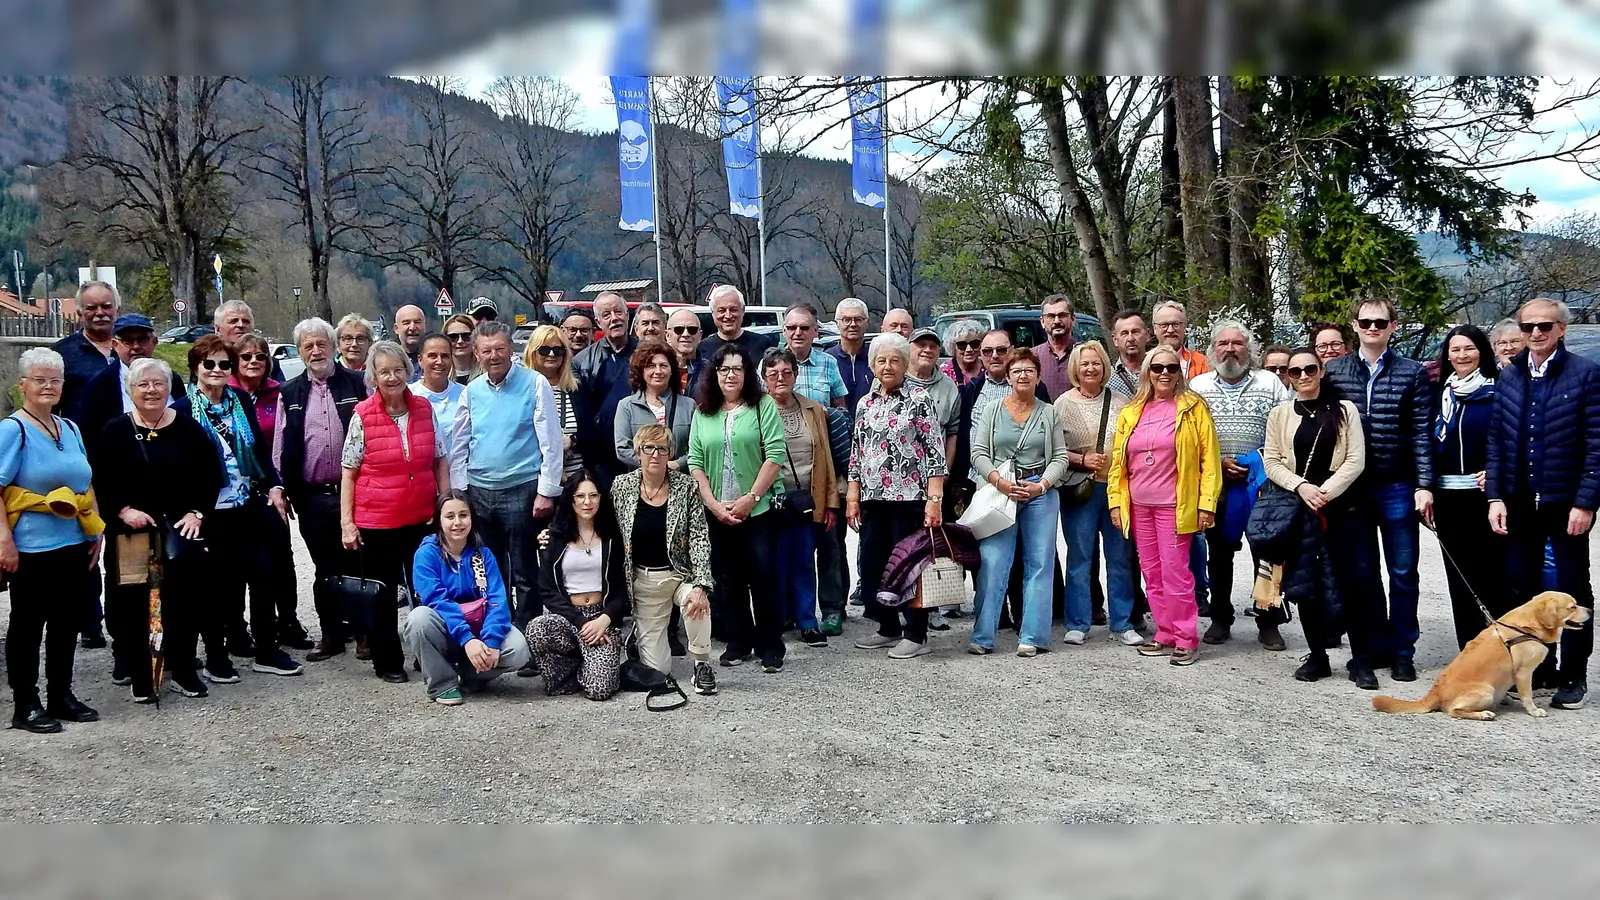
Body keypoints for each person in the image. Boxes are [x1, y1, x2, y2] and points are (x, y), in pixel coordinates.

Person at [1488, 298, 1600, 710]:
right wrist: (1495, 496)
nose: (1535, 333)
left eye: (1544, 326)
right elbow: (1497, 442)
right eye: (1528, 326)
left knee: (1572, 587)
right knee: (1522, 585)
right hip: (1519, 502)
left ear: (1561, 330)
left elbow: (1597, 443)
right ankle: (1540, 666)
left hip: (1565, 501)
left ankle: (1573, 676)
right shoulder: (1510, 376)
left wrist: (1586, 501)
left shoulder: (1586, 375)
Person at [91, 357, 221, 702]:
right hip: (131, 533)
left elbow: (211, 477)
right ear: (130, 390)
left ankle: (182, 669)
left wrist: (198, 513)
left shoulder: (189, 428)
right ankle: (141, 673)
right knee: (132, 604)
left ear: (169, 388)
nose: (151, 390)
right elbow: (100, 481)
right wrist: (123, 510)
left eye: (158, 384)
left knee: (183, 602)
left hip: (179, 532)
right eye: (143, 384)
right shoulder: (114, 431)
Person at [176, 334, 304, 681]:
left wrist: (275, 485)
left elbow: (259, 453)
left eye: (224, 364)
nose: (217, 370)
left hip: (246, 503)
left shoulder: (239, 402)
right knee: (217, 588)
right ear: (195, 368)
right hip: (209, 512)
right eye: (210, 364)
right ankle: (217, 656)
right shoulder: (183, 411)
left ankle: (267, 649)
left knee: (264, 575)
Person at [1322, 298, 1433, 686]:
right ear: (1354, 325)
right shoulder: (1334, 372)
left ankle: (1403, 651)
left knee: (1403, 572)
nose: (1372, 328)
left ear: (1393, 326)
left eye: (1380, 322)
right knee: (1362, 574)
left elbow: (1421, 432)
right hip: (1351, 489)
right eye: (1365, 322)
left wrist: (1424, 485)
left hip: (1397, 484)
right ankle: (1369, 648)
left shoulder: (1412, 372)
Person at [1, 348, 104, 733]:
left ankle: (61, 694)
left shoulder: (71, 428)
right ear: (22, 385)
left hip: (73, 541)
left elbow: (85, 482)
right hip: (31, 545)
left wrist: (94, 530)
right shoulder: (13, 430)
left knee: (66, 621)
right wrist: (3, 543)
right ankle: (25, 703)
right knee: (28, 624)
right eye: (40, 379)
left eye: (55, 380)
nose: (48, 386)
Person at [341, 341, 449, 684]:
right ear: (373, 376)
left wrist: (445, 504)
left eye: (398, 370)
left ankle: (430, 654)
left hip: (421, 518)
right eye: (384, 372)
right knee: (384, 595)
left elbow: (440, 458)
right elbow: (349, 470)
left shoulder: (424, 410)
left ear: (409, 371)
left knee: (427, 590)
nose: (392, 377)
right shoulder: (362, 415)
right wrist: (348, 523)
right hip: (378, 521)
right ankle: (388, 661)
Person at [1107, 346, 1221, 667]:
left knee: (1176, 573)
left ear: (1179, 371)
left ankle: (1186, 637)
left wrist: (1206, 504)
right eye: (1157, 368)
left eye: (1171, 367)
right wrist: (1116, 503)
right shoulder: (1132, 410)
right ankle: (1165, 632)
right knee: (1152, 572)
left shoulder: (1193, 407)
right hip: (1140, 504)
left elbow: (1209, 460)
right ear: (1147, 372)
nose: (1164, 373)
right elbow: (1119, 462)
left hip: (1175, 503)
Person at [449, 321, 564, 624]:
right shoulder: (471, 392)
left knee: (525, 570)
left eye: (500, 348)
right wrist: (461, 491)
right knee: (488, 570)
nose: (494, 355)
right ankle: (498, 631)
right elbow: (460, 444)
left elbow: (551, 442)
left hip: (522, 489)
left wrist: (546, 491)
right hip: (480, 492)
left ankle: (528, 637)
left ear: (511, 348)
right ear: (476, 353)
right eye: (487, 351)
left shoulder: (534, 383)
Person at [1261, 348, 1366, 682]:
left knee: (1350, 582)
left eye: (1309, 369)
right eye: (1295, 372)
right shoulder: (1279, 414)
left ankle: (1361, 659)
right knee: (1304, 584)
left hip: (1340, 508)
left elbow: (1355, 459)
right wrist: (1302, 487)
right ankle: (1317, 655)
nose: (1303, 376)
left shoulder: (1345, 410)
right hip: (1299, 507)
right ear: (1288, 376)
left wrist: (1326, 492)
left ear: (1321, 371)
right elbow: (1272, 461)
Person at [1188, 321, 1292, 650]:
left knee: (1269, 554)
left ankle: (1269, 620)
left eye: (1237, 343)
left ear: (1249, 349)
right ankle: (1220, 618)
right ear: (1212, 349)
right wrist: (1217, 463)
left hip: (1263, 485)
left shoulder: (1270, 382)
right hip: (1217, 485)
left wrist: (1258, 460)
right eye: (1223, 343)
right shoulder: (1198, 386)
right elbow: (1191, 438)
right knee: (1219, 555)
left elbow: (1285, 431)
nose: (1230, 349)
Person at [848, 333, 948, 660]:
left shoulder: (919, 399)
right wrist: (852, 496)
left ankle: (917, 633)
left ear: (905, 363)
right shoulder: (866, 402)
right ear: (873, 365)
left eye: (894, 360)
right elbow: (856, 452)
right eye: (881, 360)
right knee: (875, 564)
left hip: (910, 499)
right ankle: (888, 627)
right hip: (873, 498)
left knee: (909, 566)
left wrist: (935, 499)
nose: (887, 366)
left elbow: (935, 451)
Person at [689, 343, 787, 671]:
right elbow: (696, 462)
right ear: (714, 374)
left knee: (762, 576)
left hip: (756, 511)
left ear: (747, 373)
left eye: (738, 368)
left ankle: (770, 646)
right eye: (724, 369)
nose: (731, 375)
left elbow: (775, 454)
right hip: (718, 511)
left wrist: (751, 499)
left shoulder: (763, 407)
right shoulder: (703, 412)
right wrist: (713, 504)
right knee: (728, 580)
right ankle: (738, 642)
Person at [275, 317, 368, 661]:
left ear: (333, 346)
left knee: (359, 564)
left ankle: (364, 633)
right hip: (313, 496)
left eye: (321, 344)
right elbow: (280, 445)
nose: (316, 351)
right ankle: (331, 634)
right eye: (308, 346)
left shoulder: (357, 384)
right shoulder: (290, 392)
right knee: (324, 569)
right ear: (299, 352)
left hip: (355, 493)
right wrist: (283, 488)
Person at [969, 348, 1069, 656]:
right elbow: (979, 454)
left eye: (1029, 370)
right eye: (1017, 370)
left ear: (1038, 377)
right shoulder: (992, 410)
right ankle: (983, 635)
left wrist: (1041, 485)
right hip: (1001, 491)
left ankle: (1033, 636)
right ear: (1008, 377)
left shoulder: (1049, 412)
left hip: (1039, 491)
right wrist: (999, 481)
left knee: (1039, 564)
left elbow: (1060, 457)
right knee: (994, 561)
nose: (1023, 375)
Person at [613, 425, 717, 693]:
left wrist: (701, 584)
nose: (655, 455)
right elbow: (605, 528)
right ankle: (639, 637)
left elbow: (699, 537)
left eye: (662, 449)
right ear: (638, 452)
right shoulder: (621, 487)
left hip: (681, 574)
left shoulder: (687, 487)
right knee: (658, 672)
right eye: (648, 448)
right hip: (644, 581)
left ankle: (702, 664)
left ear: (670, 453)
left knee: (697, 604)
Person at [406, 491, 531, 705]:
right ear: (438, 520)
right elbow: (437, 601)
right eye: (450, 516)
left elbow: (497, 600)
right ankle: (442, 683)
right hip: (446, 631)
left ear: (472, 518)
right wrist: (467, 639)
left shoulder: (483, 554)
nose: (457, 522)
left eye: (463, 515)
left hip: (479, 630)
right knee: (419, 619)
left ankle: (472, 674)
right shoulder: (426, 555)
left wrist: (490, 641)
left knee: (519, 649)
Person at [1427, 324, 1509, 651]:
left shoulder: (1499, 389)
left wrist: (1497, 471)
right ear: (1447, 355)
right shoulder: (1439, 394)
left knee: (1494, 578)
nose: (1462, 355)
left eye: (1469, 349)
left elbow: (1512, 439)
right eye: (1456, 350)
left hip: (1486, 497)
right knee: (1460, 580)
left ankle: (1503, 652)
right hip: (1448, 498)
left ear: (1482, 351)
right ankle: (1471, 652)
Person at [1055, 340, 1139, 646]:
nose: (1091, 368)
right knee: (1080, 558)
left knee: (1120, 557)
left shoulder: (1121, 402)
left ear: (1104, 366)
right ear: (1076, 368)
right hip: (1080, 490)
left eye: (1096, 363)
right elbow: (1054, 449)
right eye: (1085, 363)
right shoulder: (1062, 404)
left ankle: (1123, 622)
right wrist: (1081, 459)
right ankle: (1079, 621)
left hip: (1116, 489)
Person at [232, 332, 312, 651]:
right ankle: (236, 629)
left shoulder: (278, 393)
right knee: (240, 564)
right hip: (236, 492)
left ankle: (288, 621)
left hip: (273, 489)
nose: (254, 362)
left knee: (282, 558)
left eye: (260, 357)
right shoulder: (226, 395)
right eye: (247, 357)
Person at [761, 348, 841, 648]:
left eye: (786, 372)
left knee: (805, 561)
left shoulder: (814, 410)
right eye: (773, 374)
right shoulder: (756, 411)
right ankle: (780, 618)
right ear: (764, 379)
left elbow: (827, 460)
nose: (781, 378)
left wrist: (831, 502)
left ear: (796, 375)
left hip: (808, 500)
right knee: (777, 563)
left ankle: (808, 621)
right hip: (771, 502)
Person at [526, 473, 628, 700]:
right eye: (580, 496)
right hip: (568, 616)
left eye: (593, 496)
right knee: (537, 628)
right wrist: (581, 623)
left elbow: (622, 589)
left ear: (601, 499)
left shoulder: (612, 538)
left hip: (602, 617)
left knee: (600, 690)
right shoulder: (555, 537)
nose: (587, 502)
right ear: (571, 501)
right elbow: (547, 590)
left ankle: (593, 664)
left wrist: (604, 619)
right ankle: (574, 665)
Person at [71, 313, 177, 456]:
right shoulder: (99, 386)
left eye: (143, 340)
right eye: (128, 341)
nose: (136, 347)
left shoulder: (171, 378)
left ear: (154, 342)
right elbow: (91, 439)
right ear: (115, 345)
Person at [573, 292, 635, 486]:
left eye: (618, 312)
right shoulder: (582, 361)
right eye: (606, 315)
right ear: (598, 323)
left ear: (627, 315)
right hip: (600, 454)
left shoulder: (649, 353)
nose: (614, 318)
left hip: (639, 448)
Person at [615, 338, 694, 471]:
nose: (658, 371)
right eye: (651, 366)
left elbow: (695, 449)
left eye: (663, 365)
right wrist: (653, 465)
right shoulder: (627, 406)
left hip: (679, 480)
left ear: (672, 370)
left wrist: (677, 464)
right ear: (641, 371)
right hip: (641, 483)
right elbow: (622, 448)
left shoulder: (688, 405)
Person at [523, 325, 584, 481]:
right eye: (544, 350)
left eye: (558, 350)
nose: (551, 354)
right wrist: (555, 447)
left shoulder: (576, 388)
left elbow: (592, 432)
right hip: (535, 479)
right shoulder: (521, 389)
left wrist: (572, 440)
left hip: (574, 481)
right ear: (532, 352)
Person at [52, 281, 119, 419]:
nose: (100, 313)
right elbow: (48, 408)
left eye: (106, 306)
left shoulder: (132, 349)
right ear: (80, 313)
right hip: (80, 439)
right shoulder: (61, 353)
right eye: (92, 308)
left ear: (117, 310)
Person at [784, 303, 847, 409]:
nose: (798, 332)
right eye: (792, 328)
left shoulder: (829, 363)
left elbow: (840, 407)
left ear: (816, 331)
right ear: (784, 331)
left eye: (804, 328)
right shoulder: (770, 364)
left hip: (820, 425)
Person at [699, 284, 776, 363]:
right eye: (721, 310)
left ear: (743, 310)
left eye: (733, 310)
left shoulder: (763, 344)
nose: (728, 316)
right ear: (712, 313)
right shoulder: (702, 349)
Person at [410, 333, 465, 438]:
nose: (439, 361)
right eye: (432, 356)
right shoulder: (409, 394)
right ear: (420, 360)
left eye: (445, 356)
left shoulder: (465, 394)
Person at [828, 298, 874, 414]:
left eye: (858, 319)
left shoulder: (877, 357)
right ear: (837, 324)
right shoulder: (827, 360)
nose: (853, 324)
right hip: (837, 429)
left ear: (867, 323)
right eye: (846, 320)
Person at [1151, 301, 1211, 378]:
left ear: (1184, 327)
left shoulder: (1202, 363)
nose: (1170, 330)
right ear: (1155, 328)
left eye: (1176, 325)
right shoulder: (1144, 362)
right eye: (1164, 325)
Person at [1034, 294, 1077, 399]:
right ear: (1042, 322)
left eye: (1062, 315)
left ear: (1073, 319)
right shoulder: (1033, 356)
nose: (1057, 321)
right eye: (1051, 316)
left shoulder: (1085, 355)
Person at [1107, 308, 1150, 398]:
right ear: (1115, 340)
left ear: (1147, 335)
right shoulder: (1107, 378)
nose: (1130, 339)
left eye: (1135, 332)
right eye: (1124, 333)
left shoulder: (1161, 370)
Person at [665, 307, 706, 395]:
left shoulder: (711, 372)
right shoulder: (656, 370)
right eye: (679, 329)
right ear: (667, 336)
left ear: (700, 335)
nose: (686, 334)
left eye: (692, 330)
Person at [941, 318, 986, 387]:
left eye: (974, 343)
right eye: (962, 345)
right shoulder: (945, 372)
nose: (969, 349)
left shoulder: (987, 368)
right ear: (953, 346)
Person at [393, 304, 427, 379]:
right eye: (406, 323)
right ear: (396, 328)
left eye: (417, 322)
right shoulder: (389, 360)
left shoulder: (435, 358)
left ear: (425, 326)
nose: (412, 327)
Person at [444, 314, 479, 385]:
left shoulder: (487, 373)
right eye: (453, 337)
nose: (460, 341)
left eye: (466, 336)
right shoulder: (440, 373)